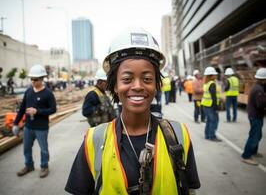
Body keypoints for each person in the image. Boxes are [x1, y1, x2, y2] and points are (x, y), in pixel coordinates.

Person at [65, 27, 200, 195]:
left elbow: (190, 190)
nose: (137, 86)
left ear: (157, 85)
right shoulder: (94, 140)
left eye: (147, 79)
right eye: (127, 79)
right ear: (114, 85)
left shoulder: (179, 135)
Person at [12, 64, 56, 178]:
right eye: (31, 79)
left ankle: (44, 166)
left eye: (35, 79)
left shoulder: (48, 93)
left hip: (41, 127)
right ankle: (29, 165)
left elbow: (53, 109)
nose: (33, 81)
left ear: (42, 79)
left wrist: (37, 111)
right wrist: (15, 124)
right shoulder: (28, 92)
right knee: (26, 148)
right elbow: (22, 109)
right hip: (28, 126)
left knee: (43, 149)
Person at [241, 68, 266, 165]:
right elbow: (261, 104)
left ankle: (254, 151)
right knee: (254, 136)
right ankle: (246, 156)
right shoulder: (259, 90)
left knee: (257, 135)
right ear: (263, 79)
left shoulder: (257, 87)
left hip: (254, 115)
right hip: (256, 116)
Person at [201, 66, 221, 142]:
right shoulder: (212, 84)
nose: (215, 75)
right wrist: (216, 108)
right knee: (214, 121)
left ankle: (207, 135)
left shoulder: (206, 83)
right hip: (211, 106)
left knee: (209, 120)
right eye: (214, 74)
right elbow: (214, 97)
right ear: (211, 75)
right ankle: (212, 136)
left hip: (205, 105)